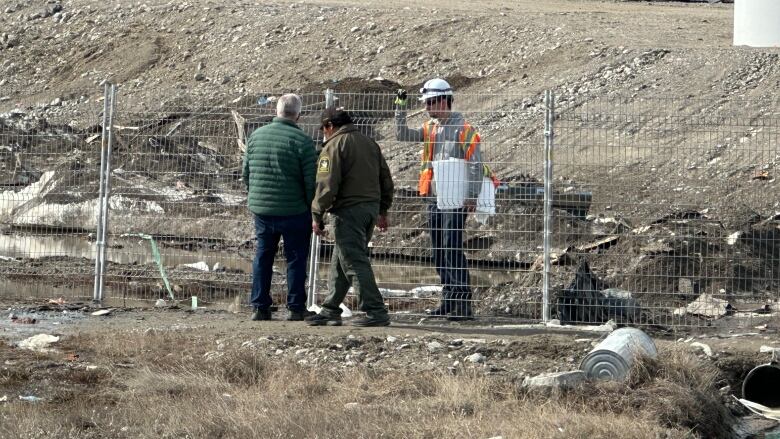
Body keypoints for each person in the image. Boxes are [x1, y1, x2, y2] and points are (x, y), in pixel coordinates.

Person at [394, 78, 482, 320]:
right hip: (433, 197)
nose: (428, 107)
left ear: (445, 101)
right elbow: (402, 135)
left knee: (452, 248)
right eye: (426, 103)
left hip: (455, 199)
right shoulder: (430, 128)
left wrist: (471, 196)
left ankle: (463, 303)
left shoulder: (464, 129)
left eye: (431, 102)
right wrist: (400, 108)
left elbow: (476, 165)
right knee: (439, 250)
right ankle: (449, 299)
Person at [305, 108, 394, 327]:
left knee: (353, 261)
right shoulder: (369, 143)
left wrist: (317, 214)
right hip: (369, 210)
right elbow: (386, 179)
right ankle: (330, 308)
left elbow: (326, 184)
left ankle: (375, 311)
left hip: (348, 211)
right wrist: (382, 209)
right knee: (341, 258)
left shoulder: (334, 146)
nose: (324, 134)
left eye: (324, 130)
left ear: (329, 126)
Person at [242, 93, 317, 321]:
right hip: (294, 211)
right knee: (295, 258)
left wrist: (257, 196)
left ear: (276, 111)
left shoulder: (255, 136)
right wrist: (312, 208)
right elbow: (310, 182)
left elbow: (246, 173)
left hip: (263, 210)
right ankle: (295, 308)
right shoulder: (302, 141)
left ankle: (260, 307)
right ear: (298, 115)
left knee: (263, 256)